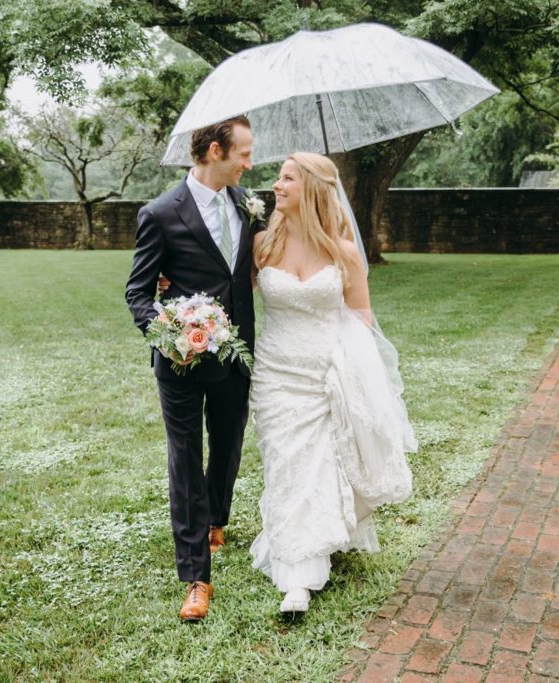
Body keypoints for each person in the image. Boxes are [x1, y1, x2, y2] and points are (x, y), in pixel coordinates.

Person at [249, 152, 417, 613]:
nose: (275, 186)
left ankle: (306, 561)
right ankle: (297, 575)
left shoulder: (343, 252)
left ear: (314, 189)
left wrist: (348, 365)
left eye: (286, 179)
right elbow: (231, 295)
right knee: (288, 462)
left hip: (326, 373)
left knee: (322, 463)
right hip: (276, 375)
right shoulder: (262, 245)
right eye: (278, 178)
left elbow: (362, 316)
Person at [125, 115, 264, 622]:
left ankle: (217, 518)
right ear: (211, 150)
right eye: (243, 153)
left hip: (236, 354)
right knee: (185, 461)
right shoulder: (161, 213)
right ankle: (195, 577)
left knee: (228, 445)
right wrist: (170, 335)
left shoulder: (249, 205)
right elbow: (138, 293)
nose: (250, 162)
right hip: (181, 364)